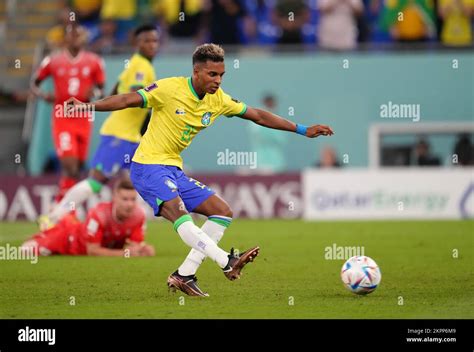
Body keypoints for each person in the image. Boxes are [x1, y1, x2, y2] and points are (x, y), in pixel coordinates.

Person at [67, 43, 334, 297]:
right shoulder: (169, 88)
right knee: (179, 214)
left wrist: (302, 129)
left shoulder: (217, 100)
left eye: (222, 75)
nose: (218, 80)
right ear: (196, 71)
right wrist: (87, 106)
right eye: (212, 74)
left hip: (173, 168)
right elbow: (127, 99)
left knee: (222, 212)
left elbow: (258, 115)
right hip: (147, 165)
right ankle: (226, 261)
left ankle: (185, 275)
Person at [46, 24, 159, 226]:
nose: (152, 45)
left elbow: (115, 89)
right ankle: (55, 217)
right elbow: (134, 93)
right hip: (119, 136)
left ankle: (138, 225)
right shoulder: (141, 66)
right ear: (136, 43)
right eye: (147, 41)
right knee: (96, 182)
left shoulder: (134, 63)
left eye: (155, 41)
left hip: (132, 136)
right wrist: (158, 102)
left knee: (149, 176)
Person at [31, 24, 106, 204]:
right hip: (62, 115)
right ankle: (61, 209)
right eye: (73, 35)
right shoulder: (53, 61)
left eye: (80, 35)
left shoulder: (94, 61)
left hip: (84, 117)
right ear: (66, 38)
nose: (77, 39)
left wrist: (94, 94)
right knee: (69, 165)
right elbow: (35, 84)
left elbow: (102, 90)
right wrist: (44, 96)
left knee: (78, 167)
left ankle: (68, 208)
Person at [21, 179, 155, 257]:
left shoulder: (138, 216)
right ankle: (46, 231)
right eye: (125, 199)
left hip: (80, 230)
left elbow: (132, 246)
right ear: (114, 198)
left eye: (133, 199)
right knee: (25, 251)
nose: (130, 204)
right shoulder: (99, 214)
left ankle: (52, 225)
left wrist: (143, 248)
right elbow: (92, 250)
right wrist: (125, 254)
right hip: (68, 240)